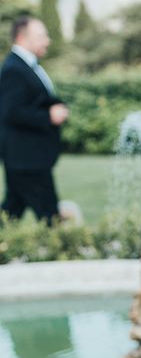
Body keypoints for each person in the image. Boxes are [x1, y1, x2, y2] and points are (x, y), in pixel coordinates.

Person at [0, 17, 68, 223]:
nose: (47, 41)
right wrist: (48, 116)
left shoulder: (26, 66)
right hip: (27, 159)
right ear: (22, 38)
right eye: (41, 36)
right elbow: (11, 112)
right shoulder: (14, 69)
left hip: (26, 159)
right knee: (50, 217)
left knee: (11, 212)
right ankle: (60, 253)